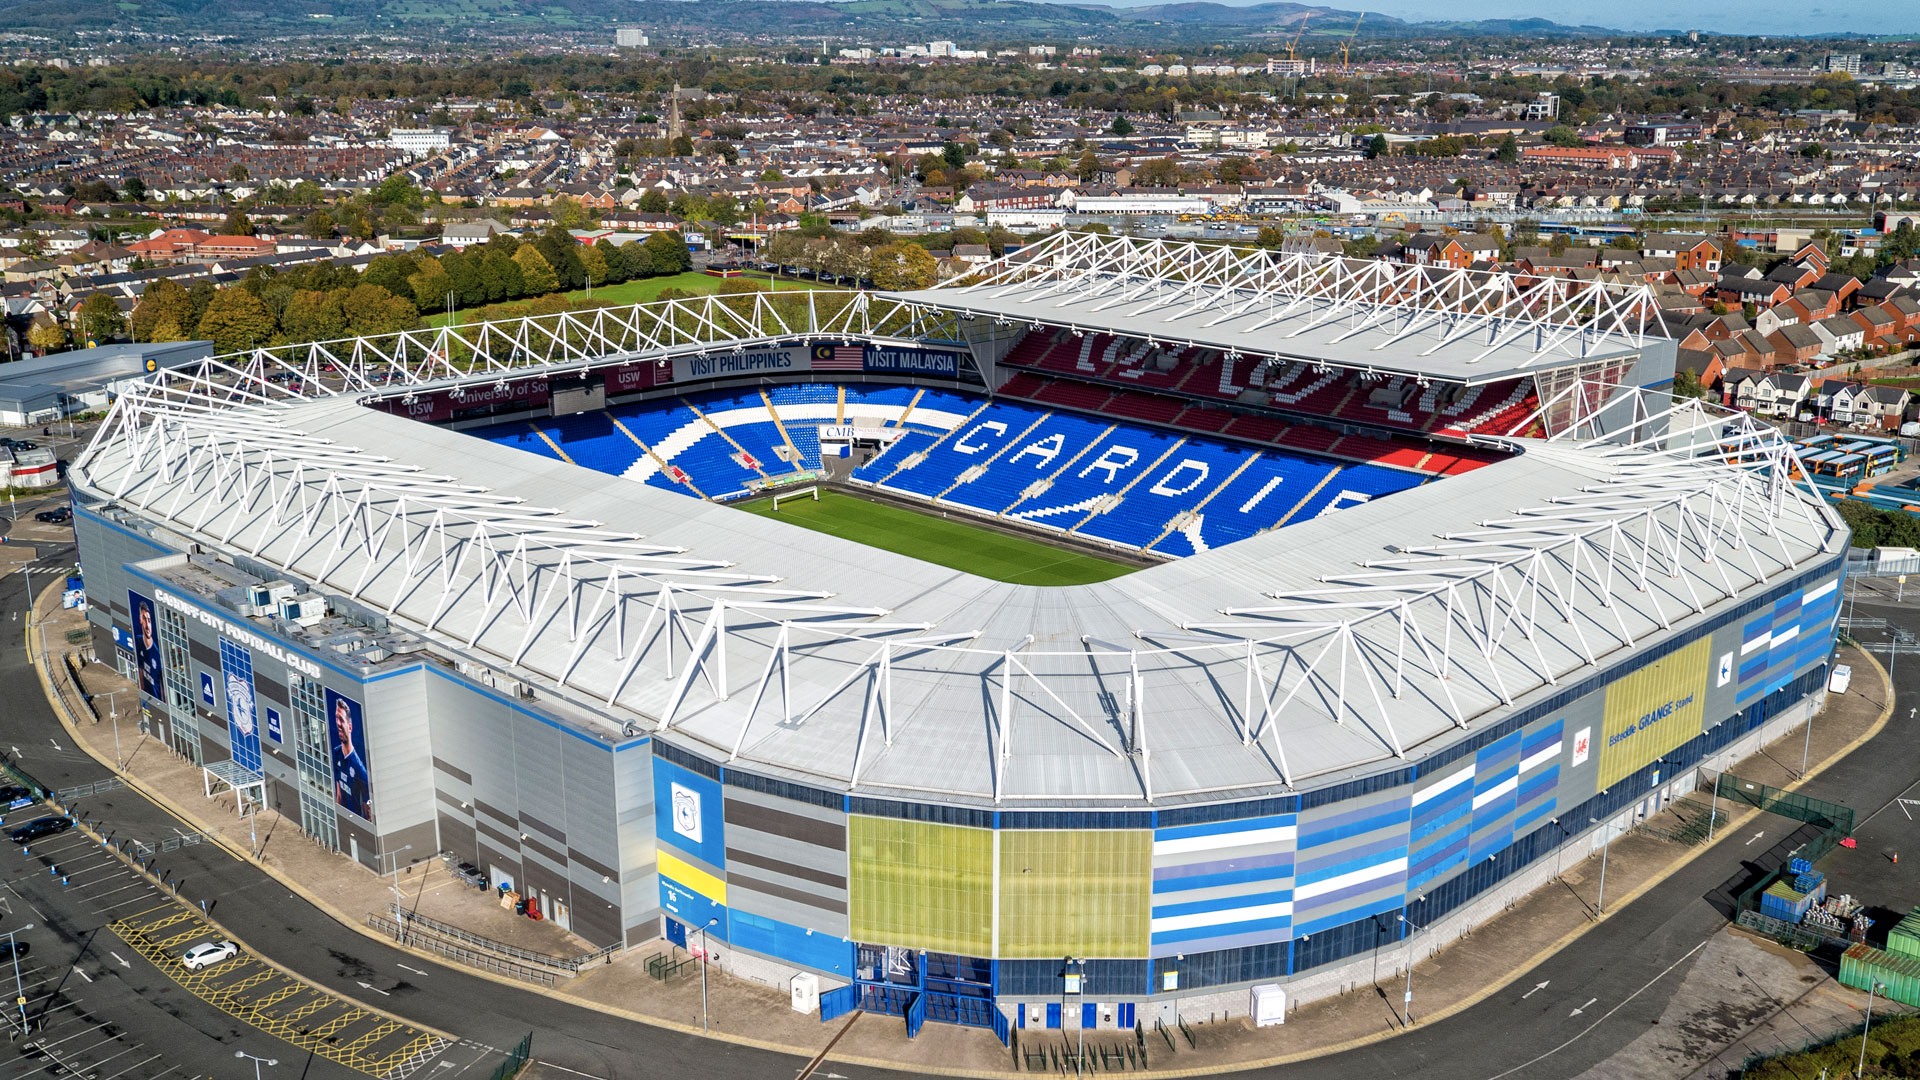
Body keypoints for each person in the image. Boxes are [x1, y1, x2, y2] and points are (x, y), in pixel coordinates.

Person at [331, 696, 372, 819]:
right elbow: (339, 793)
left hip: (354, 819)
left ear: (350, 727)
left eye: (341, 720)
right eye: (336, 718)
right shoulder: (336, 752)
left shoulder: (360, 770)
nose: (338, 723)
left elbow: (368, 813)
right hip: (343, 817)